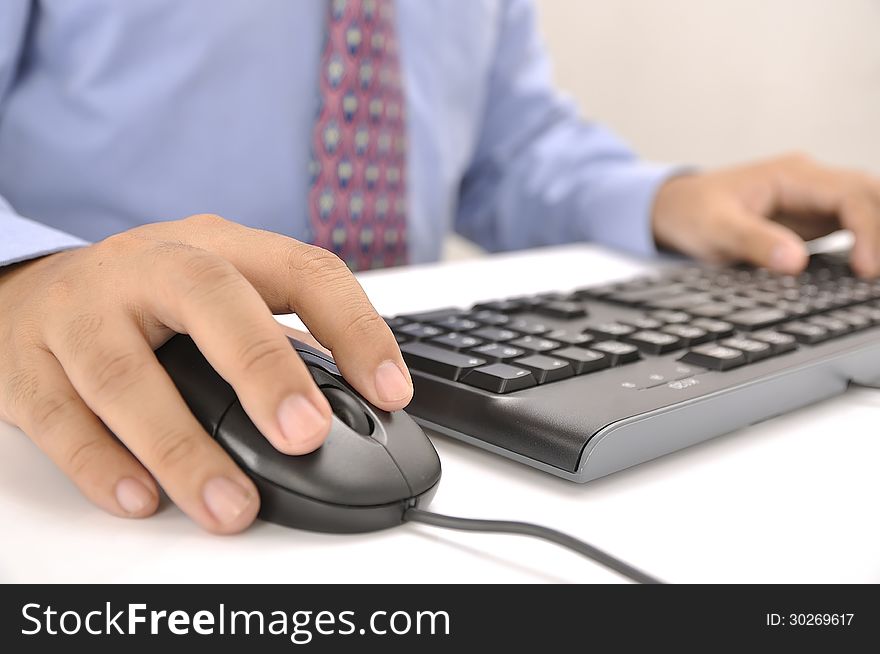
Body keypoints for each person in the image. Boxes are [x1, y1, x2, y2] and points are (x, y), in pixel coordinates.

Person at [1, 0, 878, 534]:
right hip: (103, 381)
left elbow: (508, 147)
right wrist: (21, 274)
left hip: (400, 369)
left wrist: (664, 198)